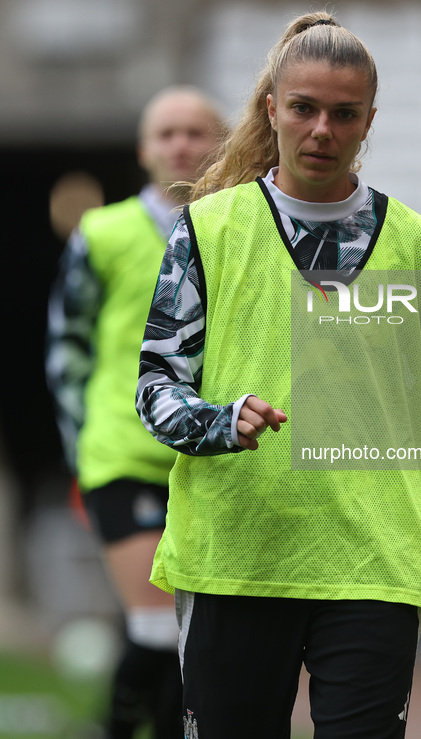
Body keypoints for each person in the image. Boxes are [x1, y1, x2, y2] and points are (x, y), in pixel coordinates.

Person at [136, 13, 421, 739]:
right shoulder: (207, 230)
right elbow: (155, 386)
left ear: (368, 121)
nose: (321, 129)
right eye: (303, 108)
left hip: (374, 561)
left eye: (343, 114)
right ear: (272, 110)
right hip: (236, 558)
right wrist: (220, 420)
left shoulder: (420, 244)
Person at [46, 85, 225, 738]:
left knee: (193, 642)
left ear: (221, 144)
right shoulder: (104, 232)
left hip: (208, 461)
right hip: (122, 455)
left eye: (196, 131)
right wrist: (83, 445)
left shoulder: (236, 231)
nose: (181, 144)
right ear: (145, 148)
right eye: (167, 132)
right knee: (155, 627)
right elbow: (67, 344)